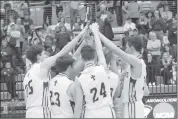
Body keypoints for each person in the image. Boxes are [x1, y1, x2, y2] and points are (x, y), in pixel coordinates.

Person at [23, 24, 89, 118]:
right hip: (42, 111)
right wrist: (80, 35)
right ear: (38, 57)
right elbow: (63, 52)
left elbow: (26, 99)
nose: (46, 55)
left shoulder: (27, 75)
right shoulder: (42, 66)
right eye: (43, 54)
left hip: (29, 112)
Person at [96, 23, 148, 118]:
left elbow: (114, 48)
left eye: (127, 47)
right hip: (129, 104)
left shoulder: (137, 62)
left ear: (131, 47)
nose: (126, 49)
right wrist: (112, 61)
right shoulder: (134, 64)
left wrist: (98, 33)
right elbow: (118, 78)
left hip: (133, 104)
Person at [74, 23, 115, 118]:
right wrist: (96, 33)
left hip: (91, 113)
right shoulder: (102, 68)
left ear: (82, 59)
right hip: (106, 111)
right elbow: (100, 50)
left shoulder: (79, 78)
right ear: (94, 56)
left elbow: (78, 106)